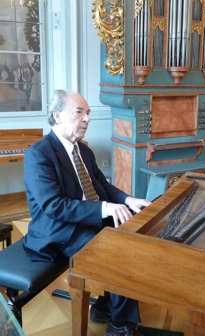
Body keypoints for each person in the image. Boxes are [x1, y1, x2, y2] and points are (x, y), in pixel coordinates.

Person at [23, 89, 150, 336]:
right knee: (117, 252)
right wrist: (104, 208)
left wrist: (127, 199)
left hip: (88, 218)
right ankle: (120, 325)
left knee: (135, 234)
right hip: (59, 230)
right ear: (57, 116)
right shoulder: (38, 154)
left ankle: (104, 307)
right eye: (79, 112)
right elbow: (53, 206)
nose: (87, 119)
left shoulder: (84, 150)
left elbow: (102, 186)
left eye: (88, 113)